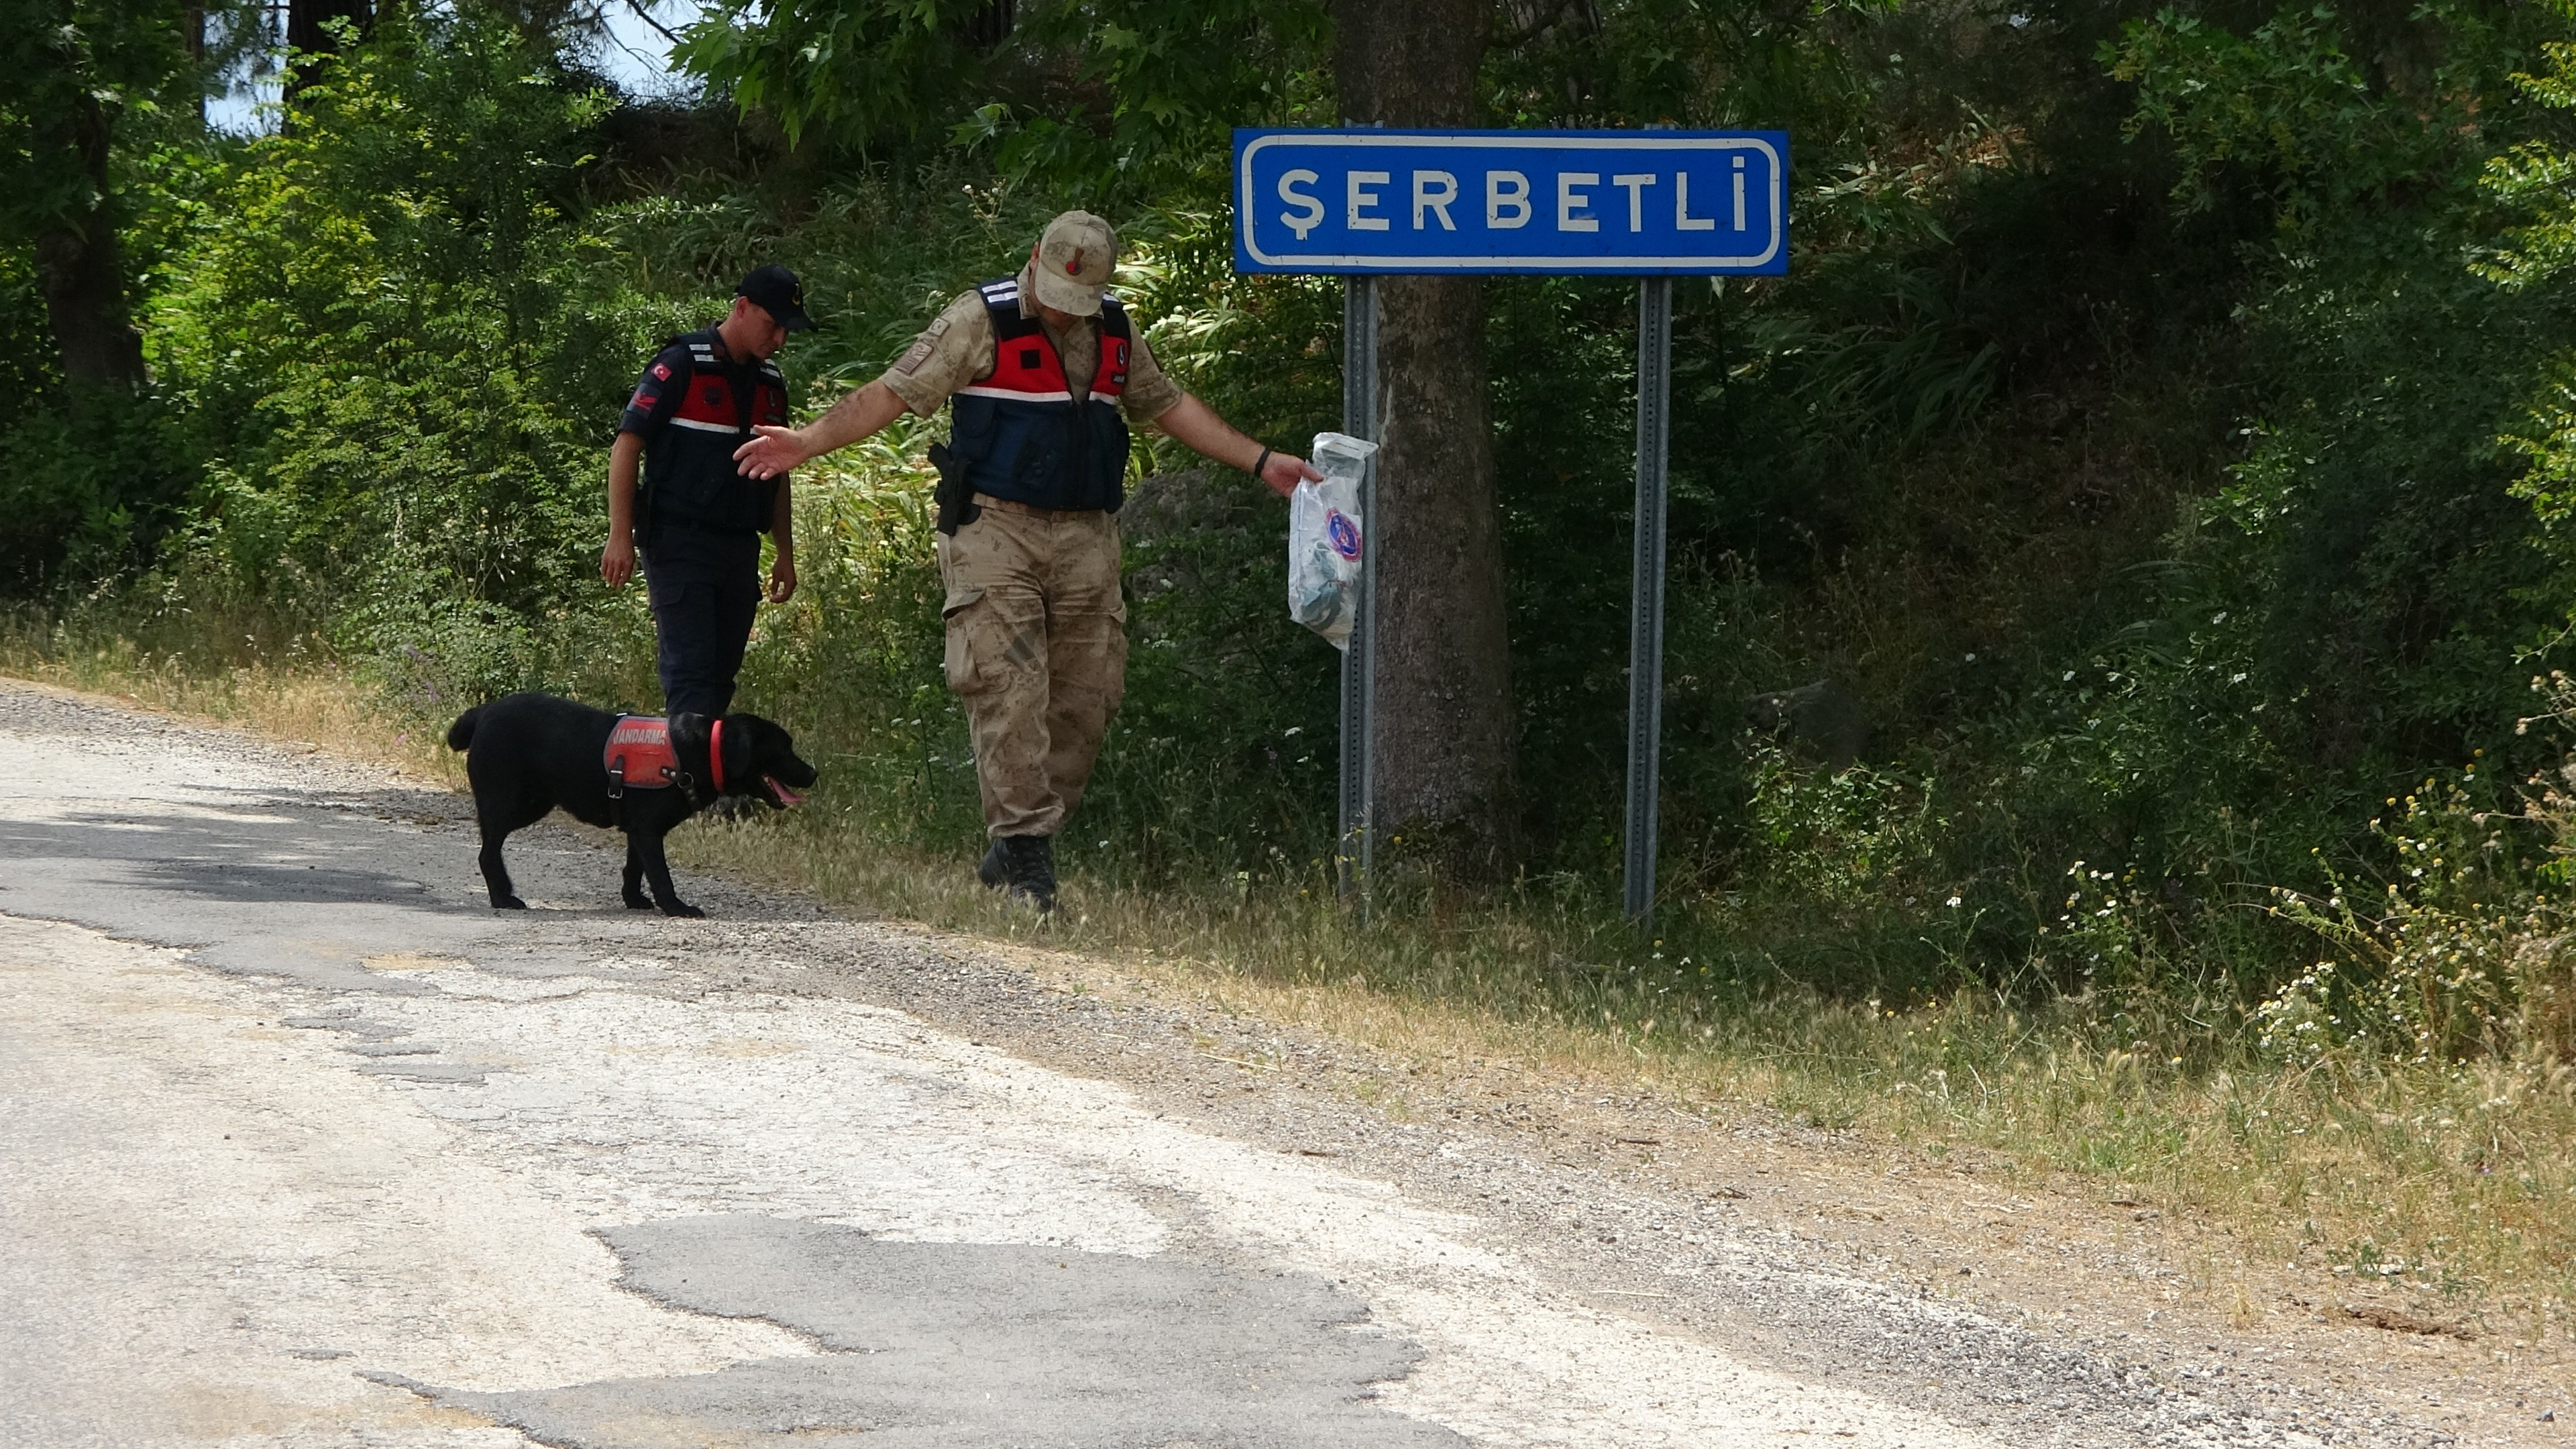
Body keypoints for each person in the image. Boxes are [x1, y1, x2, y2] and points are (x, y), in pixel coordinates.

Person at [733, 211, 1322, 912]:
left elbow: (1167, 406)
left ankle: (1022, 841)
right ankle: (1024, 853)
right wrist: (805, 442)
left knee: (1088, 697)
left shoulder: (1115, 331)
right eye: (1052, 292)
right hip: (994, 529)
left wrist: (1261, 462)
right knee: (1007, 684)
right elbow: (890, 395)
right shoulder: (978, 319)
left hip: (1087, 534)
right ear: (1036, 257)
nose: (1062, 311)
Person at [602, 264, 814, 722]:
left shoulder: (771, 385)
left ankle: (702, 780)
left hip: (739, 547)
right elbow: (626, 447)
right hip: (679, 541)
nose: (779, 339)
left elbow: (777, 473)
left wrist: (785, 553)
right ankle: (687, 784)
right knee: (691, 674)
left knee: (720, 677)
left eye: (787, 330)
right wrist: (620, 534)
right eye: (772, 325)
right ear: (741, 308)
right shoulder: (679, 364)